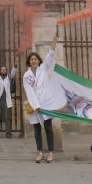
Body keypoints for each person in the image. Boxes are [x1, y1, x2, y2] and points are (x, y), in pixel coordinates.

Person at [22, 33, 60, 163]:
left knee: (49, 129)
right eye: (31, 59)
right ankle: (40, 153)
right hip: (34, 106)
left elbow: (50, 54)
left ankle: (51, 153)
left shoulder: (43, 68)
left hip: (46, 104)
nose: (33, 61)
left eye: (35, 59)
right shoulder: (26, 76)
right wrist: (35, 105)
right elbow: (29, 91)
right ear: (29, 61)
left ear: (38, 60)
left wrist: (54, 41)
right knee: (37, 130)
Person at [0, 65, 18, 138]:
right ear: (0, 71)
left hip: (7, 101)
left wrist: (15, 67)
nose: (3, 70)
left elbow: (13, 73)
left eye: (4, 69)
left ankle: (8, 134)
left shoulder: (8, 77)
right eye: (2, 69)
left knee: (7, 118)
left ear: (6, 70)